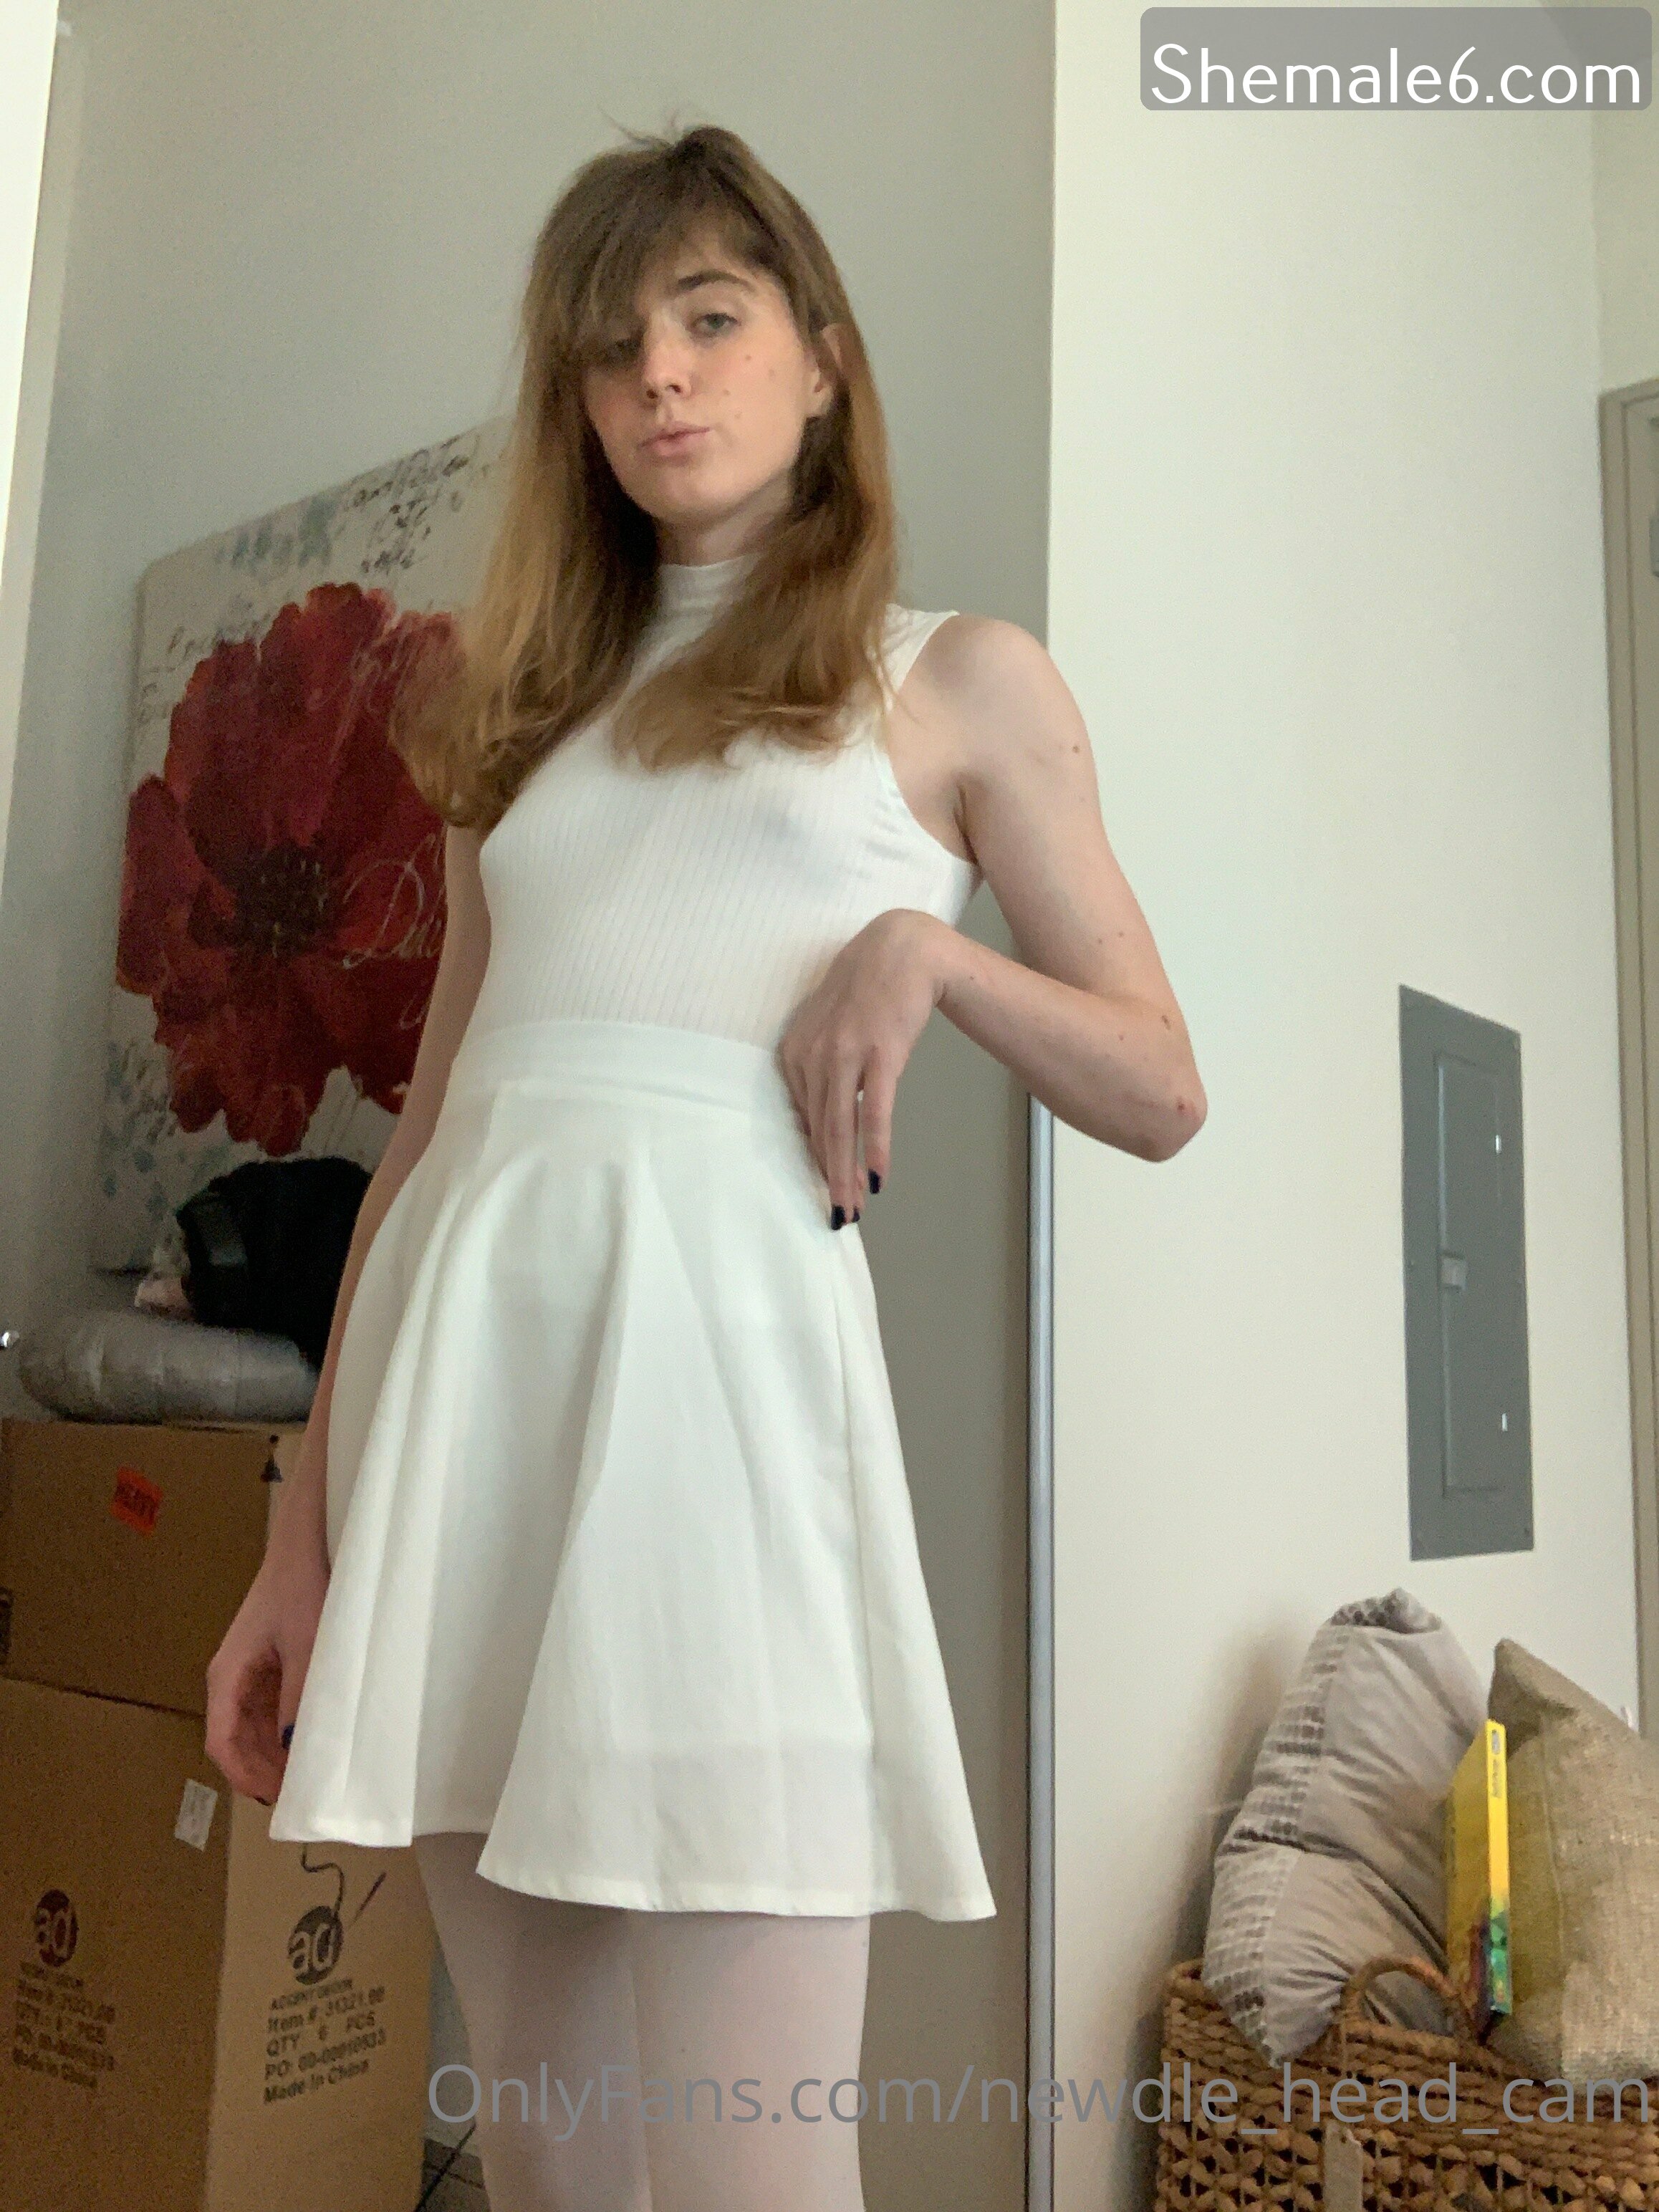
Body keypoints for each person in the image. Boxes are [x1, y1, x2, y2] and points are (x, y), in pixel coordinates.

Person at [204, 121, 1206, 2212]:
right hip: (468, 1433)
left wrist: (926, 955)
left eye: (712, 317)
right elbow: (425, 1140)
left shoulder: (955, 679)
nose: (658, 374)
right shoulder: (515, 721)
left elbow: (1158, 1083)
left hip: (724, 1449)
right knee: (548, 2163)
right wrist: (302, 1543)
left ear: (820, 359)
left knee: (759, 2175)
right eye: (610, 347)